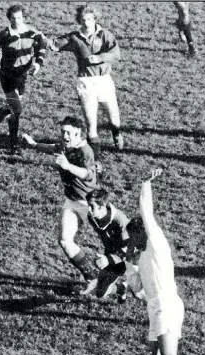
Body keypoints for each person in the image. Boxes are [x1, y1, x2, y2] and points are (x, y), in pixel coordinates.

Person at [125, 169, 205, 355]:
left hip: (166, 306)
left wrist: (145, 184)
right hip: (155, 309)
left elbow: (146, 212)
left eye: (134, 237)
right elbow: (139, 292)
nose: (132, 242)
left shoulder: (156, 243)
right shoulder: (141, 258)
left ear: (143, 233)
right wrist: (129, 267)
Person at [21, 116, 100, 291]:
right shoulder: (65, 146)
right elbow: (53, 148)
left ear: (78, 134)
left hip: (90, 205)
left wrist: (67, 166)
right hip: (71, 201)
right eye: (63, 132)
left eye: (68, 133)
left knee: (110, 245)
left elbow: (88, 175)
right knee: (65, 240)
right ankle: (91, 277)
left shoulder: (85, 151)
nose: (64, 136)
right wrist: (34, 144)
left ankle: (128, 279)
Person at [50, 4, 124, 159]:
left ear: (95, 19)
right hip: (85, 83)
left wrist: (100, 58)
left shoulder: (104, 34)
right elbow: (54, 44)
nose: (86, 22)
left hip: (104, 80)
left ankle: (116, 133)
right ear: (79, 20)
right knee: (91, 124)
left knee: (114, 118)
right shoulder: (75, 37)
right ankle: (96, 161)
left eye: (89, 19)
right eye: (83, 19)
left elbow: (116, 53)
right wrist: (41, 41)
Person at [0, 4, 47, 155]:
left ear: (23, 18)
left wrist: (38, 63)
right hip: (7, 76)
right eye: (13, 18)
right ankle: (14, 145)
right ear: (9, 18)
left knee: (11, 108)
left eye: (19, 17)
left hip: (22, 76)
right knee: (17, 109)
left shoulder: (32, 32)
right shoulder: (4, 34)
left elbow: (42, 45)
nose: (16, 20)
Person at [82, 188, 131, 299]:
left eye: (92, 206)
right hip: (111, 254)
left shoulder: (120, 221)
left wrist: (108, 260)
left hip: (129, 257)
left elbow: (128, 248)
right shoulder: (92, 217)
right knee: (100, 293)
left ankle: (133, 285)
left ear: (102, 206)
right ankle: (121, 288)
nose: (89, 210)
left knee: (140, 294)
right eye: (88, 206)